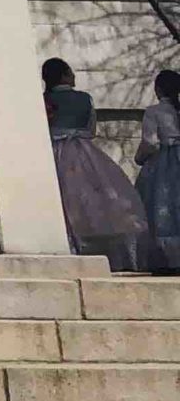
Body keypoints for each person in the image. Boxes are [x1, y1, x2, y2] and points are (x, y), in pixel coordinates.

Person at [44, 58, 150, 272]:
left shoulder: (43, 99)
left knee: (60, 198)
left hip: (51, 151)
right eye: (70, 72)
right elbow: (91, 129)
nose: (73, 76)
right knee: (97, 198)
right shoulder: (84, 98)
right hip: (82, 151)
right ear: (64, 75)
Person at [136, 69, 180, 274]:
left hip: (164, 164)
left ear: (158, 89)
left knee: (161, 209)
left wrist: (140, 158)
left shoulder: (154, 111)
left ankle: (166, 259)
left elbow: (150, 142)